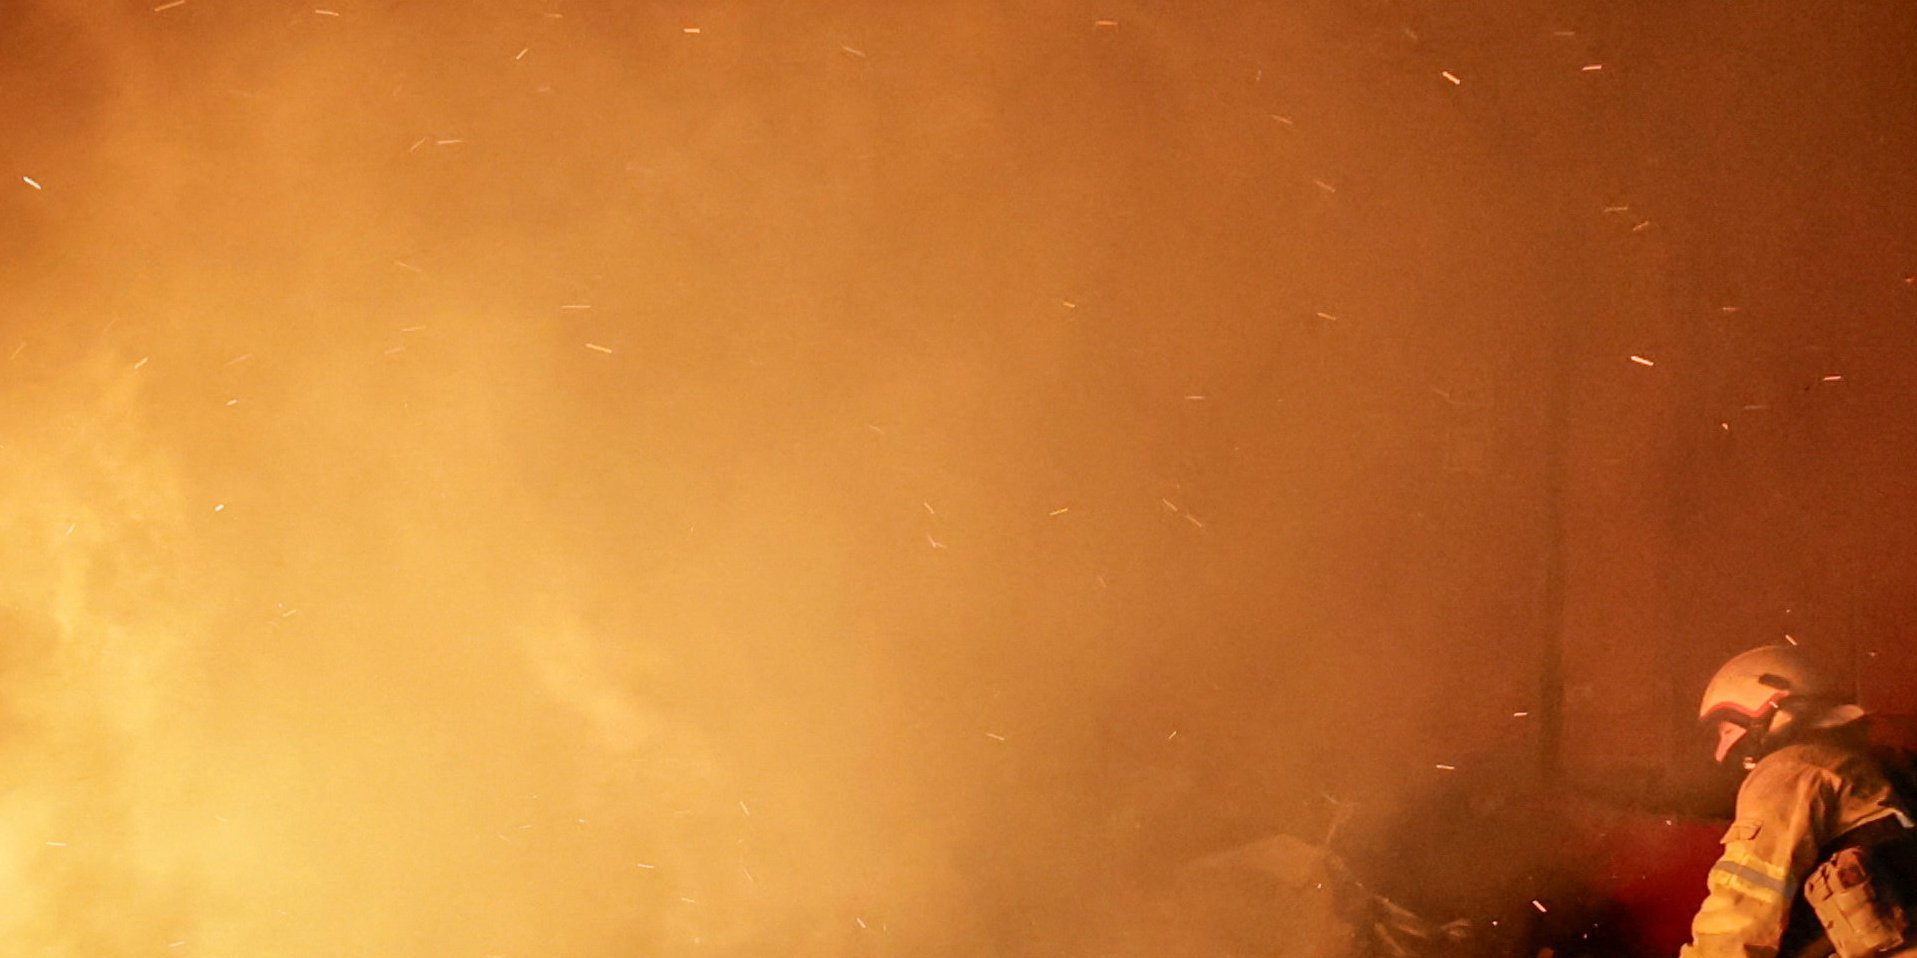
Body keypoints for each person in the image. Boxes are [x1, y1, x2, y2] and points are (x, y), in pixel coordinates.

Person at [1681, 645, 1917, 958]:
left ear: (1770, 708)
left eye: (1727, 730)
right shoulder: (1868, 766)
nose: (1721, 752)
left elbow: (1742, 912)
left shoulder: (1790, 770)